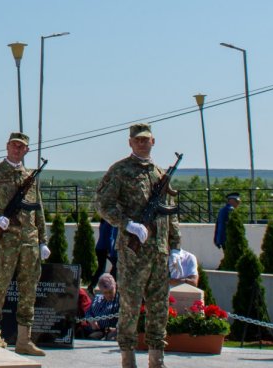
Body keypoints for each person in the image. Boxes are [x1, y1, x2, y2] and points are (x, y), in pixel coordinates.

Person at [96, 123, 181, 368]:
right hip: (134, 251)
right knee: (130, 306)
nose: (142, 143)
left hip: (159, 251)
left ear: (153, 141)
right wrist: (127, 224)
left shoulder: (159, 172)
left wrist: (175, 245)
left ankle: (157, 358)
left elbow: (170, 213)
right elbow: (103, 203)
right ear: (130, 142)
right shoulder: (120, 170)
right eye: (137, 140)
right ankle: (128, 358)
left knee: (159, 307)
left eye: (146, 140)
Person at [0, 132, 50, 357]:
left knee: (28, 290)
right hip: (5, 243)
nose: (17, 149)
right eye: (14, 145)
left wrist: (43, 241)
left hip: (30, 243)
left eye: (21, 147)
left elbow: (38, 211)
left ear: (26, 151)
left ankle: (24, 340)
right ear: (7, 147)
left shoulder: (29, 178)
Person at [80, 273, 121, 340]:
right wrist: (92, 321)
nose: (108, 295)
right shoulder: (97, 298)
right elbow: (88, 312)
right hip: (90, 328)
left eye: (110, 292)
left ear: (115, 287)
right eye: (105, 292)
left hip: (105, 331)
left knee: (92, 338)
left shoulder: (119, 301)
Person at [90, 218, 119, 291]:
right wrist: (110, 250)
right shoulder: (110, 222)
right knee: (115, 265)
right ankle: (111, 284)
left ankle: (92, 284)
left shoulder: (102, 222)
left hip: (99, 247)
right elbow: (109, 237)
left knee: (102, 268)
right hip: (104, 248)